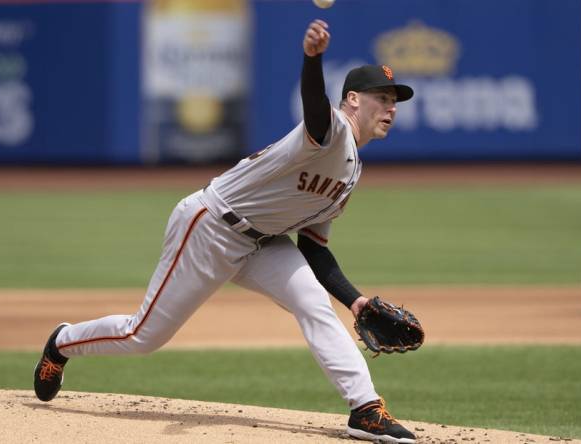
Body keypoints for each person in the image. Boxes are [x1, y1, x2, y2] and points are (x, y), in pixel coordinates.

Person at [33, 19, 417, 443]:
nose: (391, 107)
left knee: (313, 302)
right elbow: (313, 106)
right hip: (211, 225)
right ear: (352, 100)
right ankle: (62, 343)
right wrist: (313, 58)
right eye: (382, 98)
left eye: (394, 100)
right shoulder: (333, 131)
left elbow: (314, 248)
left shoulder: (350, 175)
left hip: (262, 243)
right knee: (143, 336)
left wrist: (356, 301)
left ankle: (365, 409)